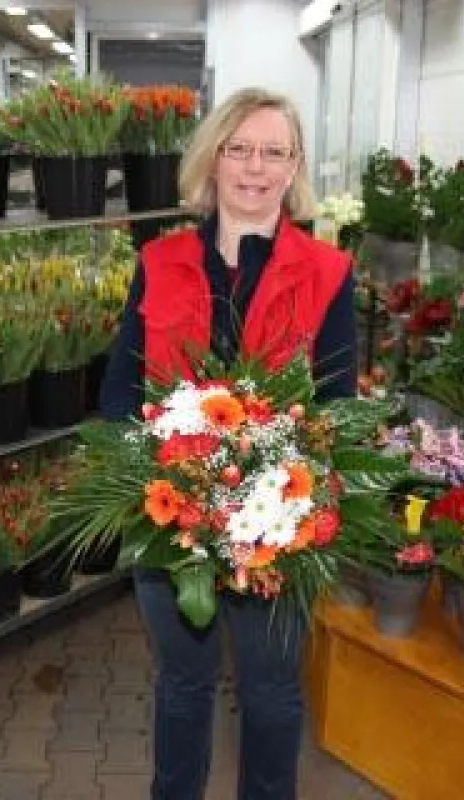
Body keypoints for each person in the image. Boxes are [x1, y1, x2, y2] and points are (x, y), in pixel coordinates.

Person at [99, 87, 357, 800]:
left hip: (278, 523)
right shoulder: (158, 260)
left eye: (275, 151)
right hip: (170, 515)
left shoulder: (330, 272)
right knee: (184, 683)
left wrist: (278, 496)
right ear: (212, 159)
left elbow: (338, 403)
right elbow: (120, 387)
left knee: (272, 694)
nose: (255, 167)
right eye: (239, 148)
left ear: (295, 166)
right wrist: (150, 477)